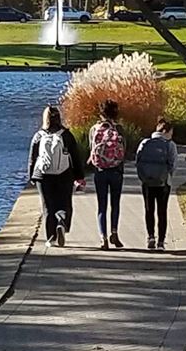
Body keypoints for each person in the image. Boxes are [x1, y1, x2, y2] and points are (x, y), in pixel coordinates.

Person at [28, 106, 85, 247]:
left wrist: (31, 176)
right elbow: (75, 157)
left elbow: (32, 158)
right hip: (64, 174)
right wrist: (79, 176)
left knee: (48, 207)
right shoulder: (66, 135)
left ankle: (51, 238)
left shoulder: (38, 136)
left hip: (43, 175)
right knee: (64, 202)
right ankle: (62, 223)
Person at [88, 99, 126, 250]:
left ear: (100, 113)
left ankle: (103, 238)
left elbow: (91, 148)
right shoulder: (119, 129)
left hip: (100, 171)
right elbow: (124, 151)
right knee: (115, 204)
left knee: (101, 206)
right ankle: (114, 232)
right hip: (116, 171)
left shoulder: (94, 129)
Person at [136, 117, 178, 251]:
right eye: (171, 132)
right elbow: (173, 164)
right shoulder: (170, 145)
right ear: (165, 131)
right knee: (162, 211)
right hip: (163, 182)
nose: (171, 136)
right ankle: (161, 242)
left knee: (149, 210)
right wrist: (167, 176)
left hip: (147, 181)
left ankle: (150, 237)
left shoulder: (145, 142)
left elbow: (138, 161)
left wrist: (144, 176)